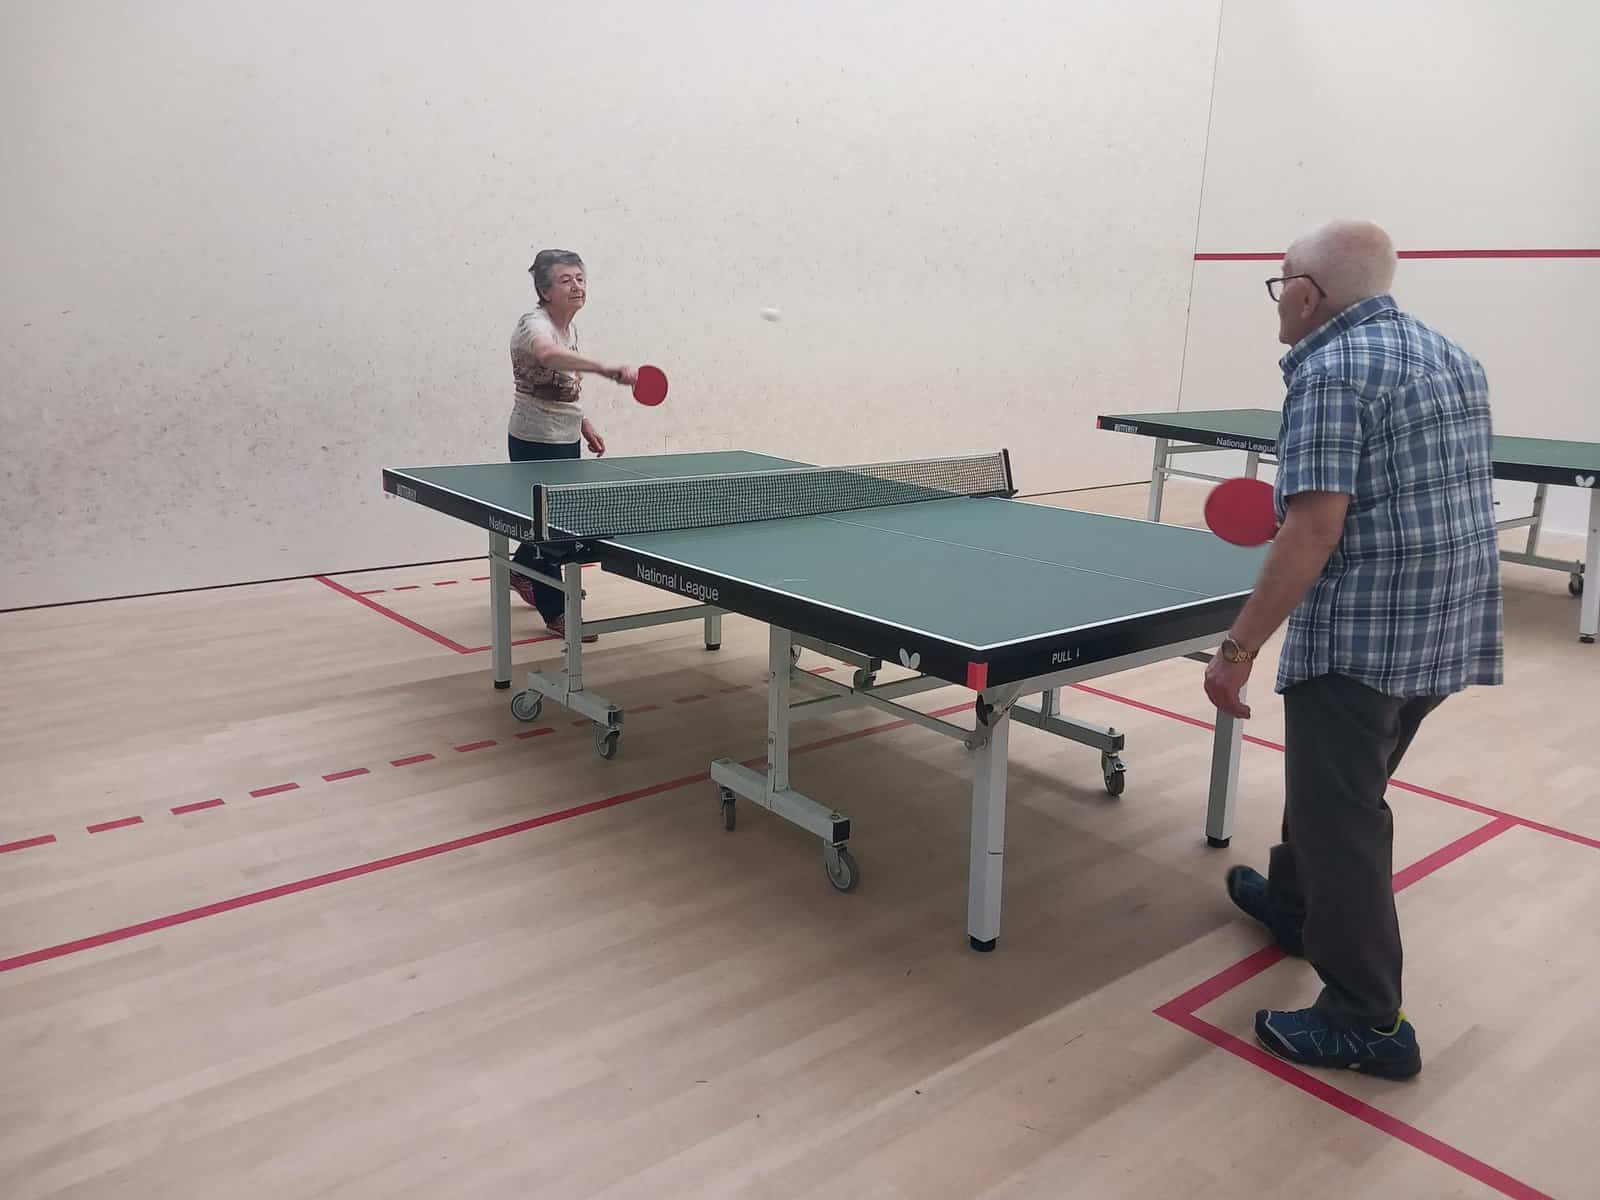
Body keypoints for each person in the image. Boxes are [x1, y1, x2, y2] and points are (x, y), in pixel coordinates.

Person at [1202, 219, 1503, 1080]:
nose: (1278, 299)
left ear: (1308, 294)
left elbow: (1312, 531)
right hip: (1446, 620)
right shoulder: (1450, 354)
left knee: (1342, 819)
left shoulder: (1332, 371)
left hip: (1368, 633)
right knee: (1337, 787)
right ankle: (1296, 907)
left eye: (1281, 283)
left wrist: (1237, 649)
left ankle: (1368, 1022)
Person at [508, 249, 638, 638]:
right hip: (535, 441)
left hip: (563, 437)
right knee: (552, 529)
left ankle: (522, 569)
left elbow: (564, 382)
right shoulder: (535, 325)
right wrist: (604, 368)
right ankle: (556, 612)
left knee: (554, 521)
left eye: (580, 279)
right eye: (565, 280)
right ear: (545, 291)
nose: (577, 286)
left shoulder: (569, 328)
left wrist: (583, 421)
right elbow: (548, 355)